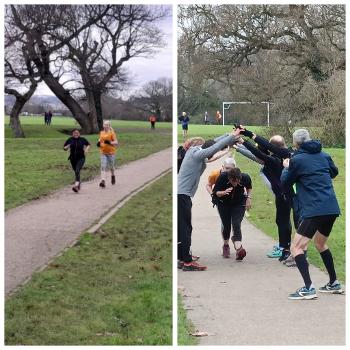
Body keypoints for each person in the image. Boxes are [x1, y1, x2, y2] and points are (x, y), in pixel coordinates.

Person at [281, 129, 343, 300]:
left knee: (296, 247)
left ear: (295, 143)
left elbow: (285, 183)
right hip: (331, 208)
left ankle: (308, 288)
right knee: (320, 243)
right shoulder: (324, 155)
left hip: (313, 209)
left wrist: (287, 168)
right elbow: (334, 172)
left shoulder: (296, 160)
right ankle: (334, 283)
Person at [178, 129, 241, 271]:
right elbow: (214, 147)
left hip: (181, 194)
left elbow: (213, 143)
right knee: (186, 228)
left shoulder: (194, 151)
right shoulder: (197, 154)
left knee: (181, 226)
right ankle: (187, 262)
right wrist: (232, 136)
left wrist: (230, 135)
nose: (209, 156)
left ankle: (181, 257)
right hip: (182, 195)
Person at [237, 127, 294, 262]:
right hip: (284, 193)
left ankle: (284, 248)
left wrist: (243, 142)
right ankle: (284, 246)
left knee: (283, 221)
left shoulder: (275, 160)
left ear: (273, 148)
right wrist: (244, 140)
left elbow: (259, 154)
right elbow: (261, 150)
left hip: (283, 194)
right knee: (282, 220)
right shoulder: (287, 153)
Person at [212, 167, 251, 260]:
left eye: (237, 181)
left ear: (240, 178)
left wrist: (249, 198)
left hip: (239, 203)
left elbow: (249, 187)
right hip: (223, 203)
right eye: (232, 181)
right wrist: (224, 192)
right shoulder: (222, 177)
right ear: (229, 178)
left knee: (236, 223)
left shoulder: (245, 178)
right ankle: (226, 245)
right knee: (226, 226)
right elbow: (215, 192)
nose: (235, 184)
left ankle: (239, 249)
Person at [97, 120, 118, 188]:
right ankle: (103, 181)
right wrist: (98, 143)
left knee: (111, 167)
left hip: (111, 153)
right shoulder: (101, 132)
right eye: (104, 124)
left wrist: (110, 142)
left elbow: (116, 142)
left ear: (109, 126)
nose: (105, 126)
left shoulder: (112, 133)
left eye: (107, 125)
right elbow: (100, 139)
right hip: (103, 152)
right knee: (103, 166)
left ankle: (113, 176)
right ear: (103, 125)